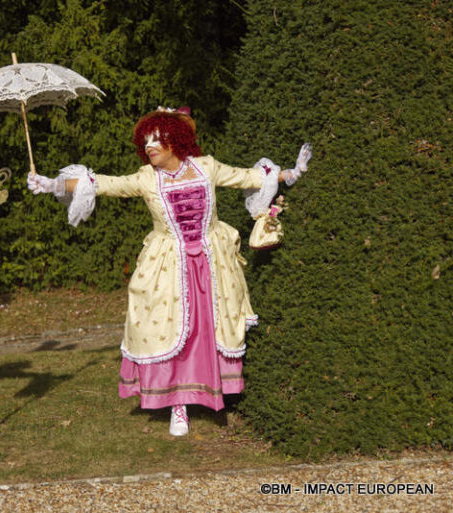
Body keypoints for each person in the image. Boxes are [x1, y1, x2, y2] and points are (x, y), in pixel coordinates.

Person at [27, 107, 311, 436]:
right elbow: (105, 183)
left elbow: (248, 177)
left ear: (175, 140)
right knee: (171, 329)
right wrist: (54, 184)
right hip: (168, 266)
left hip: (212, 262)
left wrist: (291, 174)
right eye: (145, 141)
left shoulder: (206, 167)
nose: (149, 146)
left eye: (156, 140)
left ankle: (211, 390)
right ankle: (178, 405)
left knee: (208, 329)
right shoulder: (147, 178)